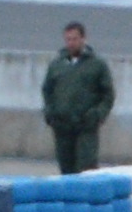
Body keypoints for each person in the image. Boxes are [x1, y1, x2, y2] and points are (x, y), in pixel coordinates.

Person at [39, 23, 111, 178]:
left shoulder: (97, 65)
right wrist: (49, 112)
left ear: (83, 39)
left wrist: (98, 114)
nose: (71, 43)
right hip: (62, 126)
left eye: (75, 39)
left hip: (86, 126)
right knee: (66, 169)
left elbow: (108, 94)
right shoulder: (57, 64)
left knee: (87, 169)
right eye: (68, 39)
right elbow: (47, 90)